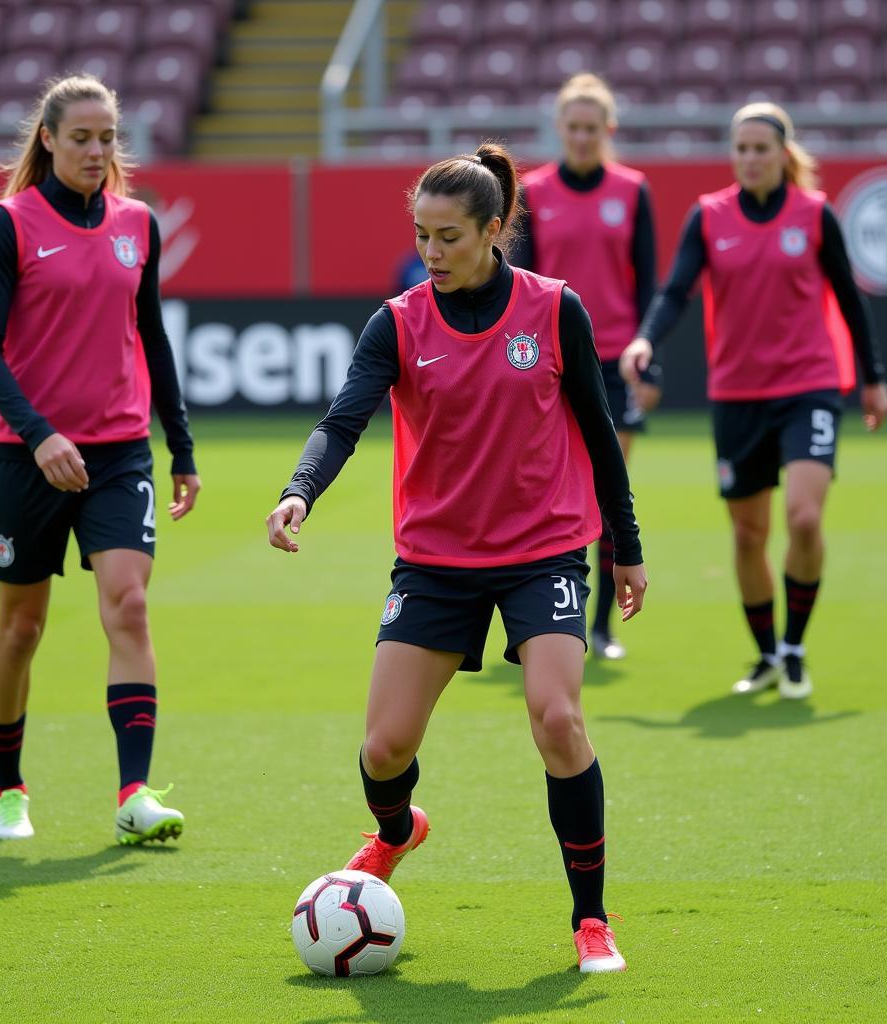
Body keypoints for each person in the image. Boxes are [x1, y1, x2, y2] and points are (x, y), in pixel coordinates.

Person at [267, 143, 648, 973]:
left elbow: (598, 429)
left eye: (446, 237)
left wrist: (626, 545)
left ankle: (591, 919)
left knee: (558, 718)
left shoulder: (554, 310)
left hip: (542, 551)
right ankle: (399, 830)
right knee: (384, 750)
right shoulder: (398, 321)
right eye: (421, 235)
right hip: (435, 561)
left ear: (492, 230)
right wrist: (301, 490)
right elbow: (342, 422)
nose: (430, 252)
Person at [0, 74, 200, 844]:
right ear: (49, 140)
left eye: (108, 138)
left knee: (129, 606)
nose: (98, 151)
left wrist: (181, 446)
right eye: (82, 138)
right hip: (27, 455)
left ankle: (134, 792)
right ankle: (8, 787)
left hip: (118, 453)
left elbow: (153, 338)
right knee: (22, 628)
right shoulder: (11, 224)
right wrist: (39, 434)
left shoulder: (138, 223)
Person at [620, 102, 887, 700]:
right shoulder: (709, 217)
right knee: (748, 535)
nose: (749, 158)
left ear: (783, 154)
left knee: (803, 516)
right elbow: (675, 290)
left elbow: (850, 300)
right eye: (740, 148)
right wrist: (645, 337)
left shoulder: (815, 215)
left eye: (760, 148)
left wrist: (872, 378)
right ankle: (767, 654)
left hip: (810, 385)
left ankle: (795, 647)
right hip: (737, 392)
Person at [514, 72, 659, 661]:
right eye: (571, 127)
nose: (580, 136)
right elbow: (522, 282)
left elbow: (648, 281)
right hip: (552, 358)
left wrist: (650, 363)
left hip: (615, 356)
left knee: (607, 489)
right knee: (547, 491)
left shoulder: (632, 189)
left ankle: (599, 627)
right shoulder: (535, 190)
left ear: (608, 129)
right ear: (559, 128)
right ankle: (547, 615)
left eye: (590, 128)